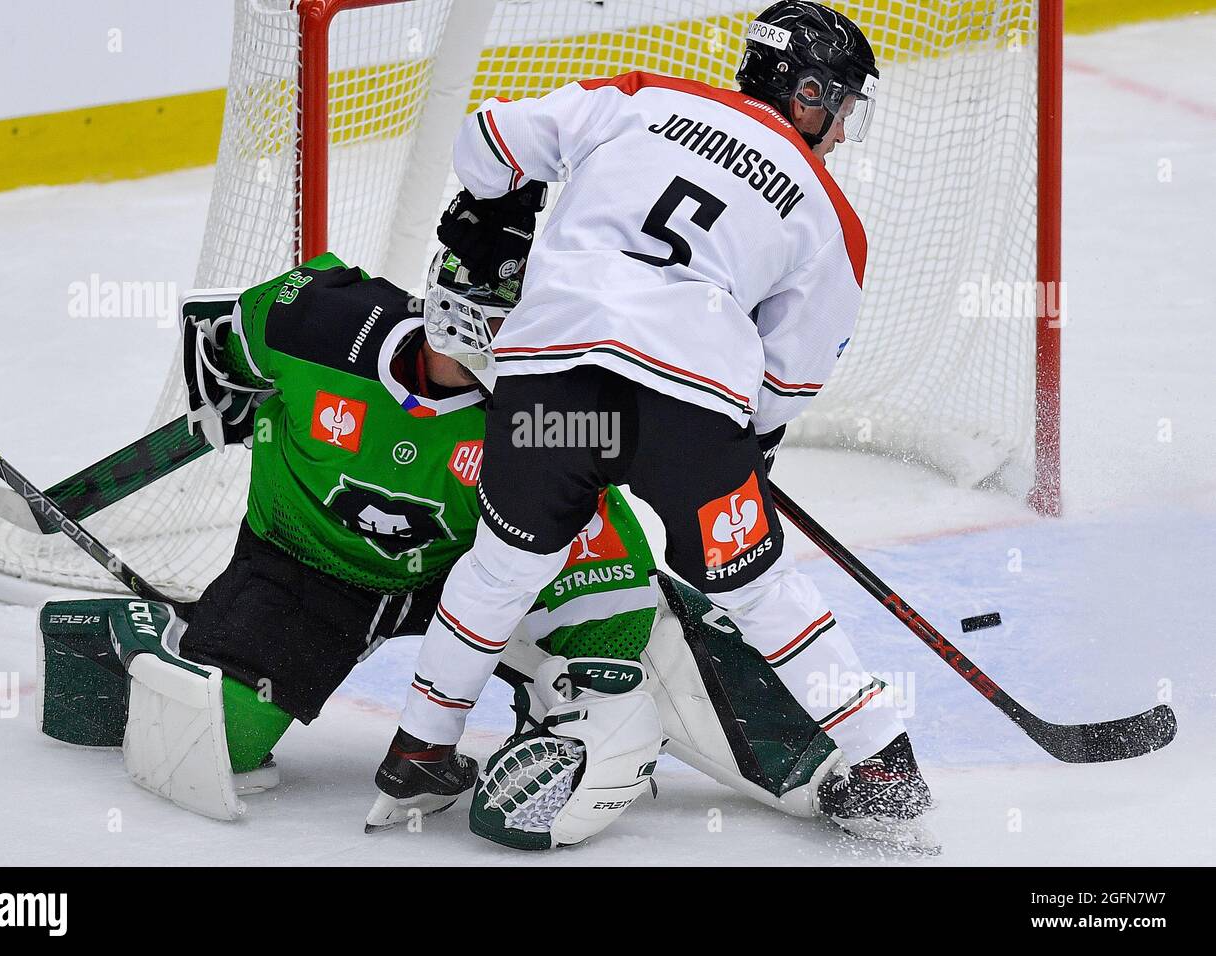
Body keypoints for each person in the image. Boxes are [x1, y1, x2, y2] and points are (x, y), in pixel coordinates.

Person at [30, 248, 861, 845]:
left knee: (630, 639)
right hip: (305, 567)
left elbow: (615, 499)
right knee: (208, 746)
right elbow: (221, 339)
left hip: (479, 572)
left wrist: (695, 445)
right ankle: (153, 636)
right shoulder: (313, 317)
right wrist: (231, 397)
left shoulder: (543, 414)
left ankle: (792, 735)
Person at [373, 1, 932, 846]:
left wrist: (499, 212)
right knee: (755, 587)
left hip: (554, 394)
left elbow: (485, 142)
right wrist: (742, 449)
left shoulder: (640, 96)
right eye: (843, 105)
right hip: (686, 411)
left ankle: (420, 749)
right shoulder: (829, 216)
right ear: (806, 89)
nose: (844, 132)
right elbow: (787, 381)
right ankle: (882, 760)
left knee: (502, 569)